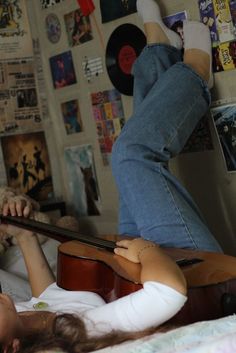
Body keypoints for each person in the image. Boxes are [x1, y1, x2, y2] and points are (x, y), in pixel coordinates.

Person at [0, 196, 187, 353]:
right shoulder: (77, 332)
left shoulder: (17, 318)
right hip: (173, 270)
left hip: (125, 266)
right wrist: (146, 249)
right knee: (130, 156)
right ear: (10, 349)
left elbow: (46, 298)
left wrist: (25, 237)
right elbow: (168, 292)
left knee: (127, 184)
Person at [111, 0, 222, 253]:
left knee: (131, 193)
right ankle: (197, 74)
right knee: (131, 153)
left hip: (124, 275)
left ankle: (161, 48)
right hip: (190, 288)